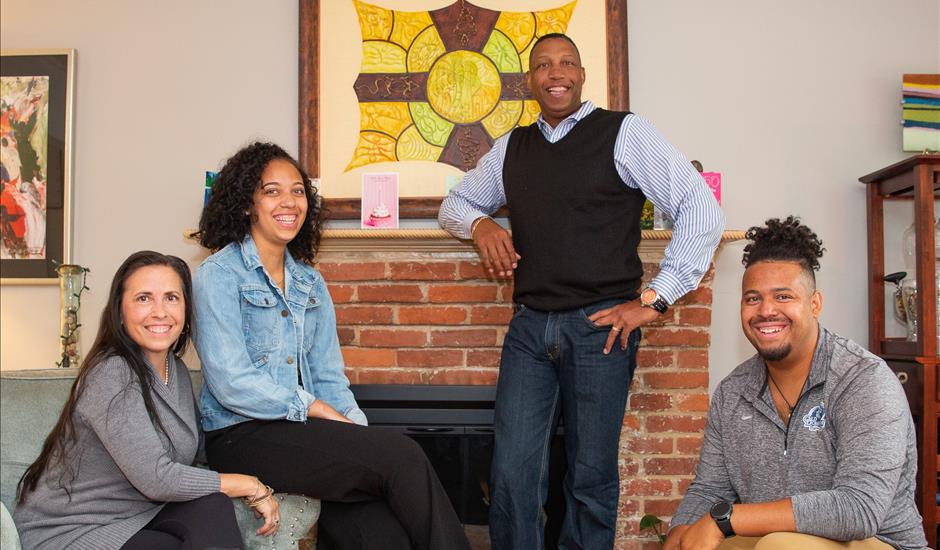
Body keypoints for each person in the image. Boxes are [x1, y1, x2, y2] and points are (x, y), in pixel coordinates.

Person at [438, 32, 725, 549]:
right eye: (544, 65)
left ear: (582, 74)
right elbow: (454, 204)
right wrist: (480, 225)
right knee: (511, 475)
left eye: (567, 62)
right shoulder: (513, 147)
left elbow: (700, 205)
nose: (556, 73)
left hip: (601, 329)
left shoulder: (623, 133)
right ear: (530, 80)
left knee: (590, 476)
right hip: (529, 328)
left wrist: (656, 298)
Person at [193, 141, 471, 550]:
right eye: (271, 190)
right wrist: (315, 409)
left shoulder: (310, 282)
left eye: (298, 191)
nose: (289, 202)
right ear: (246, 203)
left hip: (301, 432)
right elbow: (230, 381)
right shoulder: (217, 275)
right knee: (404, 456)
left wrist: (357, 435)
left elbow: (327, 376)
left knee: (380, 529)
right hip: (240, 436)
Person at [665, 217, 927, 550]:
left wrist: (728, 520)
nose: (766, 310)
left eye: (784, 296)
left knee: (779, 546)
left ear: (815, 304)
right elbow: (709, 489)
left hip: (877, 542)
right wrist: (680, 531)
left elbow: (859, 509)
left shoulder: (864, 380)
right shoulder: (733, 391)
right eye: (752, 298)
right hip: (773, 541)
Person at [13, 250, 278, 550]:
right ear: (120, 312)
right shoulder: (111, 373)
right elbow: (157, 477)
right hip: (74, 528)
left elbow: (199, 453)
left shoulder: (174, 369)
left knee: (213, 507)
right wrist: (250, 484)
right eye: (143, 298)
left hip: (139, 513)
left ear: (186, 308)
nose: (160, 311)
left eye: (171, 298)